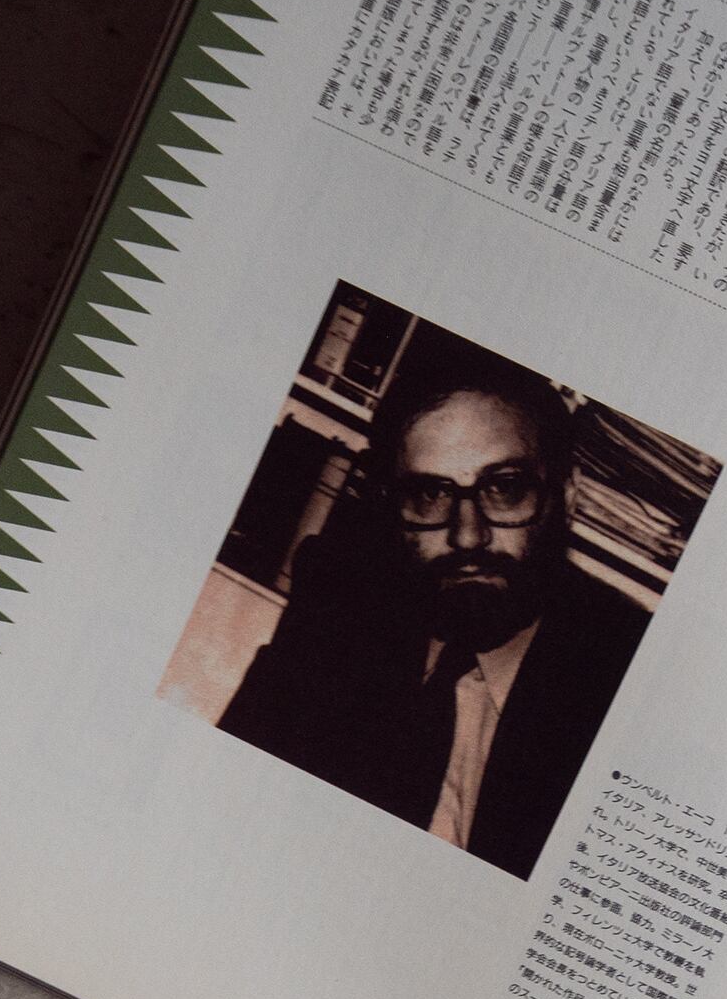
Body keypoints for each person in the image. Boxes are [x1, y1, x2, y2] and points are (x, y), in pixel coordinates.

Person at [218, 340, 650, 880]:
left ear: (566, 496)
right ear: (391, 506)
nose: (467, 535)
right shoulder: (340, 596)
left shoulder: (627, 667)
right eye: (430, 495)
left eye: (505, 488)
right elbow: (232, 798)